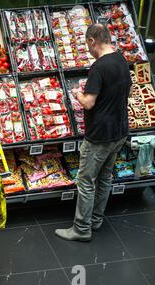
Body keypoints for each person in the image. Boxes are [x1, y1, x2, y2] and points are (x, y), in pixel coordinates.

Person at [55, 23, 131, 242]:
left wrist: (77, 94)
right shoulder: (121, 59)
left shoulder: (99, 67)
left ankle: (81, 228)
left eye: (86, 44)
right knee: (105, 178)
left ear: (92, 41)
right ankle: (96, 220)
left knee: (86, 180)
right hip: (119, 131)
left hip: (100, 135)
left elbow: (88, 103)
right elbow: (129, 90)